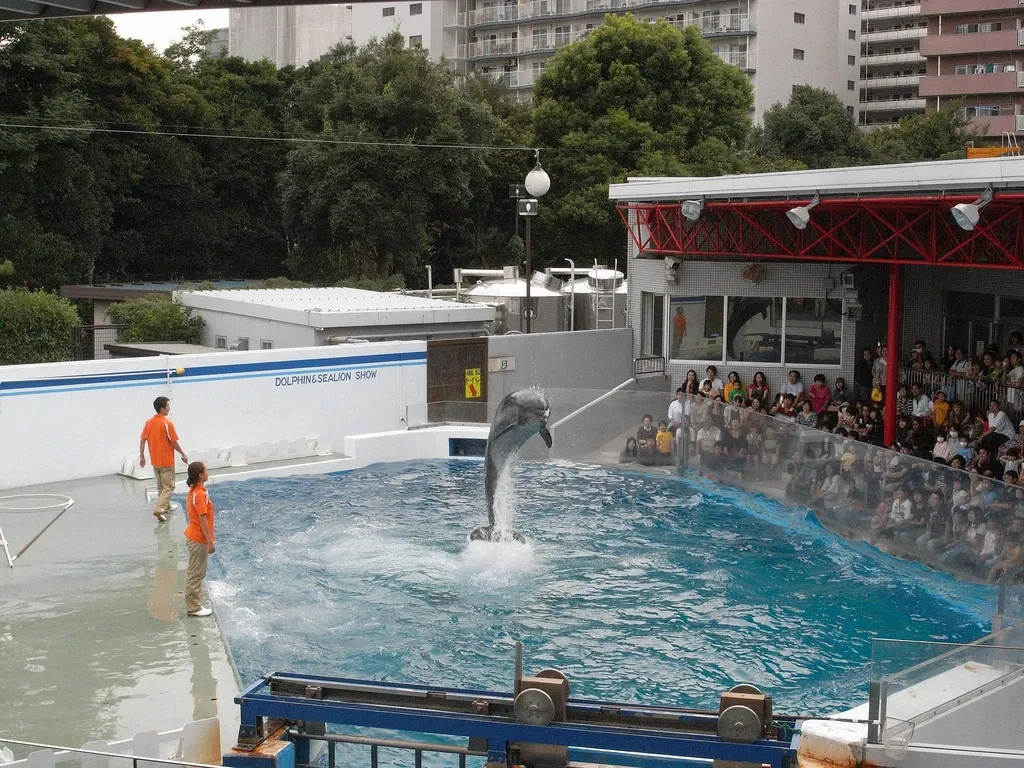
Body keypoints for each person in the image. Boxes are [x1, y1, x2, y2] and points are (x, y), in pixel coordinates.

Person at [139, 396, 188, 523]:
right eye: (167, 406)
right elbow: (174, 442)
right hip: (166, 461)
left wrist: (142, 456)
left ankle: (166, 506)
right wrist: (183, 453)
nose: (169, 408)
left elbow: (143, 440)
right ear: (162, 409)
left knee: (161, 486)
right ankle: (159, 508)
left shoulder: (148, 423)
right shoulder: (167, 423)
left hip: (155, 460)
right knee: (169, 487)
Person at [184, 461, 216, 617]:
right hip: (198, 539)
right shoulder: (200, 494)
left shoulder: (194, 491)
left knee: (195, 571)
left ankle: (194, 603)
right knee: (196, 573)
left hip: (194, 536)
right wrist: (209, 541)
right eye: (206, 470)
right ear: (200, 475)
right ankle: (193, 607)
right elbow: (203, 519)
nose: (208, 473)